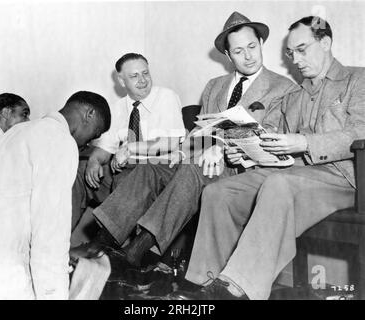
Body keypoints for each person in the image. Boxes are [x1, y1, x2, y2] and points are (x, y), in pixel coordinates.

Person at [72, 12, 297, 269]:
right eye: (238, 51)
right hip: (198, 161)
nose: (248, 56)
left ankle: (138, 252)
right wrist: (184, 149)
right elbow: (198, 134)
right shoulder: (215, 86)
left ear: (261, 44)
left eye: (252, 47)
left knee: (191, 169)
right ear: (228, 55)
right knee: (150, 169)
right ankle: (104, 241)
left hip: (242, 169)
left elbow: (270, 137)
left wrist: (221, 147)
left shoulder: (283, 88)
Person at [172, 16, 365, 300]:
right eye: (291, 52)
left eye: (302, 49)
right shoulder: (295, 96)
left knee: (278, 185)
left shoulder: (357, 79)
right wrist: (244, 151)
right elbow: (274, 140)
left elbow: (360, 131)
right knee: (219, 192)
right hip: (295, 173)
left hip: (343, 177)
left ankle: (239, 290)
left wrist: (303, 142)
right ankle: (204, 286)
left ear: (325, 43)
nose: (295, 60)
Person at [0, 91, 111, 299]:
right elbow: (49, 237)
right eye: (94, 134)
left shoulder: (19, 131)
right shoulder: (59, 140)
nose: (87, 143)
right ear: (89, 113)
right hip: (3, 272)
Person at [71, 53, 185, 231]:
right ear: (122, 81)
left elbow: (170, 143)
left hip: (158, 169)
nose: (142, 80)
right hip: (124, 169)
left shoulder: (166, 97)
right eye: (134, 76)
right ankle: (60, 241)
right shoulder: (117, 108)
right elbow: (105, 148)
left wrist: (129, 149)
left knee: (126, 178)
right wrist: (94, 160)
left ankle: (109, 247)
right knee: (81, 170)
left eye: (145, 73)